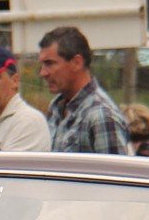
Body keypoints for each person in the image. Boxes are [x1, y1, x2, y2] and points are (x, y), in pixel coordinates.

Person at [39, 26, 130, 155]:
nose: (43, 73)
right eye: (42, 64)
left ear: (77, 62)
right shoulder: (56, 108)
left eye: (50, 63)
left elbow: (115, 173)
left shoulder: (101, 116)